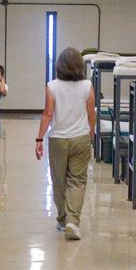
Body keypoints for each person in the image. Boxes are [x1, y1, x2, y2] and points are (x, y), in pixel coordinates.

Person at [35, 48, 95, 240]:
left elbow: (47, 114)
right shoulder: (87, 85)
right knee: (77, 181)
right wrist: (91, 134)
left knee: (59, 181)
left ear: (58, 65)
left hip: (58, 139)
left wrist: (39, 139)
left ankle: (62, 219)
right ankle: (73, 221)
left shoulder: (52, 86)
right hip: (81, 138)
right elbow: (91, 113)